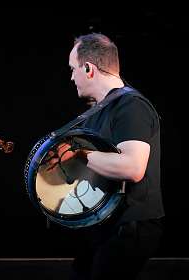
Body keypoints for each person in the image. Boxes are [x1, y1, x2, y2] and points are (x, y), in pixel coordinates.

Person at [48, 33, 165, 279]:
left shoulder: (131, 106)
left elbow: (132, 167)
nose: (71, 77)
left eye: (73, 69)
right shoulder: (99, 111)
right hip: (105, 224)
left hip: (129, 227)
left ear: (89, 68)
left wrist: (79, 154)